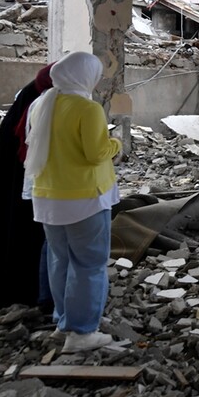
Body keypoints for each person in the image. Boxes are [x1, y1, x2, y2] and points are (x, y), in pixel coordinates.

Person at [25, 52, 123, 353]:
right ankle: (81, 333)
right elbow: (95, 153)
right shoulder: (87, 108)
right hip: (84, 199)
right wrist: (116, 143)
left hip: (47, 198)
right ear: (86, 77)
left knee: (60, 261)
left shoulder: (40, 104)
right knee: (89, 265)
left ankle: (64, 321)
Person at [0, 64, 55, 311]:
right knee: (29, 234)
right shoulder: (41, 105)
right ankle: (28, 292)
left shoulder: (30, 100)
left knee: (18, 229)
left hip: (22, 186)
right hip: (29, 187)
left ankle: (20, 289)